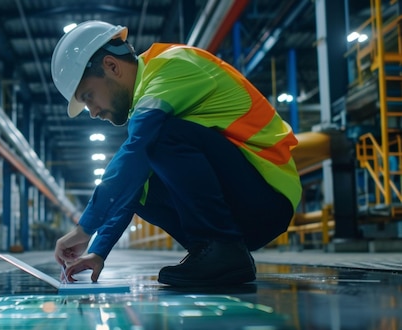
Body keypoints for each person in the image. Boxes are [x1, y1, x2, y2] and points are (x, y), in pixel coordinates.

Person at [50, 21, 301, 287]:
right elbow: (131, 182)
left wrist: (83, 227)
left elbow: (137, 151)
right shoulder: (146, 99)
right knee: (138, 180)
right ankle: (212, 250)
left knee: (153, 141)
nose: (93, 112)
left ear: (112, 66)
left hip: (268, 192)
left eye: (89, 96)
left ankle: (223, 247)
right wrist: (98, 250)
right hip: (246, 204)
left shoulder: (170, 67)